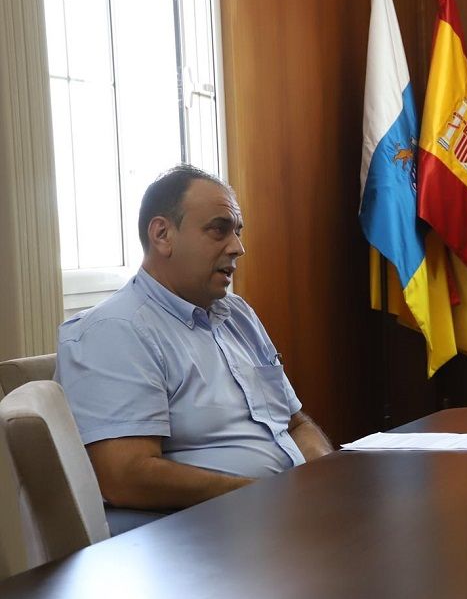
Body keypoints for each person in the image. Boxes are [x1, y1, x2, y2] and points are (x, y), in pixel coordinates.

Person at [55, 165, 333, 511]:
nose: (238, 248)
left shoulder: (237, 314)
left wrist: (327, 476)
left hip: (286, 514)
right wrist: (266, 496)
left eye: (238, 232)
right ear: (162, 235)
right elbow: (124, 476)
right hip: (199, 537)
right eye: (219, 230)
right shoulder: (115, 330)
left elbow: (295, 423)